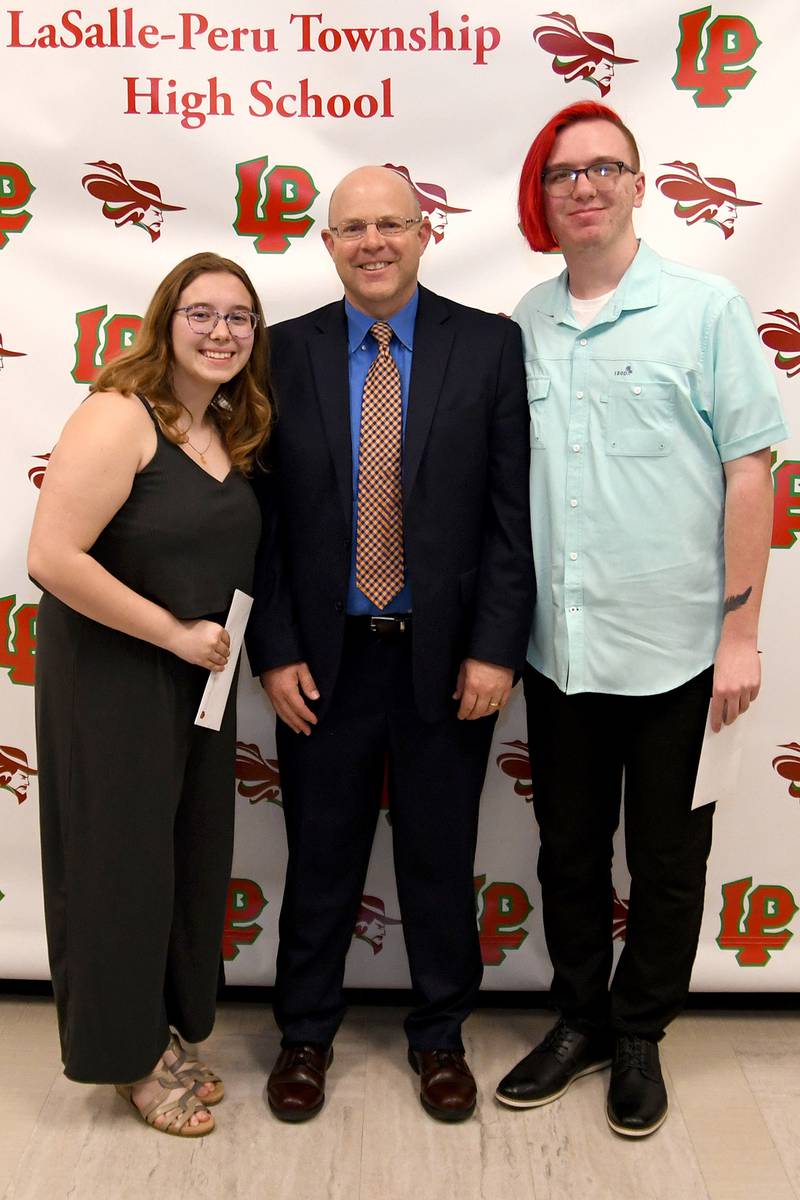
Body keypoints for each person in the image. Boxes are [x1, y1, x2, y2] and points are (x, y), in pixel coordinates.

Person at [495, 101, 788, 1137]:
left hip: (676, 653)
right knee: (567, 850)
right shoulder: (524, 321)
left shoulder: (704, 309)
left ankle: (637, 1035)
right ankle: (577, 1018)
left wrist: (738, 634)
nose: (583, 186)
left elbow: (749, 474)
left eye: (602, 168)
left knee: (665, 859)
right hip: (560, 651)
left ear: (635, 184)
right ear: (544, 198)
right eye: (563, 173)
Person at [246, 165, 533, 1123]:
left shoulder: (489, 347)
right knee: (319, 853)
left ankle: (441, 1036)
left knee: (440, 857)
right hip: (321, 663)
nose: (373, 242)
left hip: (445, 660)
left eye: (392, 225)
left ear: (425, 233)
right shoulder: (281, 354)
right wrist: (275, 648)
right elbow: (265, 523)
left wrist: (494, 649)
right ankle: (304, 1035)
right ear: (327, 243)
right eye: (352, 227)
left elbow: (508, 517)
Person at [28, 251, 270, 1137]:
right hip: (115, 678)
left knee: (182, 859)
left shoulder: (226, 428)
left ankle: (160, 1031)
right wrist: (172, 634)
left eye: (238, 317)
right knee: (118, 867)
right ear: (166, 319)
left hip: (199, 681)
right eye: (201, 313)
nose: (220, 331)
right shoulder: (117, 415)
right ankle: (123, 1060)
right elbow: (52, 558)